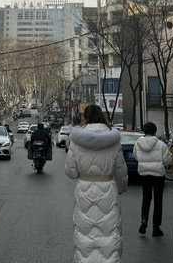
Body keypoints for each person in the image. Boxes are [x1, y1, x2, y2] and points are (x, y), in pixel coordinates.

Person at [65, 104, 128, 263]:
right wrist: (121, 188)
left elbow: (71, 172)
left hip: (84, 192)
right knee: (109, 236)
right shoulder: (113, 140)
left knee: (84, 237)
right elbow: (120, 170)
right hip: (108, 190)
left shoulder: (76, 140)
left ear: (85, 117)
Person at [134, 122, 170, 238]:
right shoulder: (161, 144)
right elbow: (167, 160)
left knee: (146, 198)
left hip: (144, 173)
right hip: (158, 174)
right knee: (158, 200)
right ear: (155, 131)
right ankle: (156, 227)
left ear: (144, 131)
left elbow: (136, 157)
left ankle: (144, 222)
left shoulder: (138, 143)